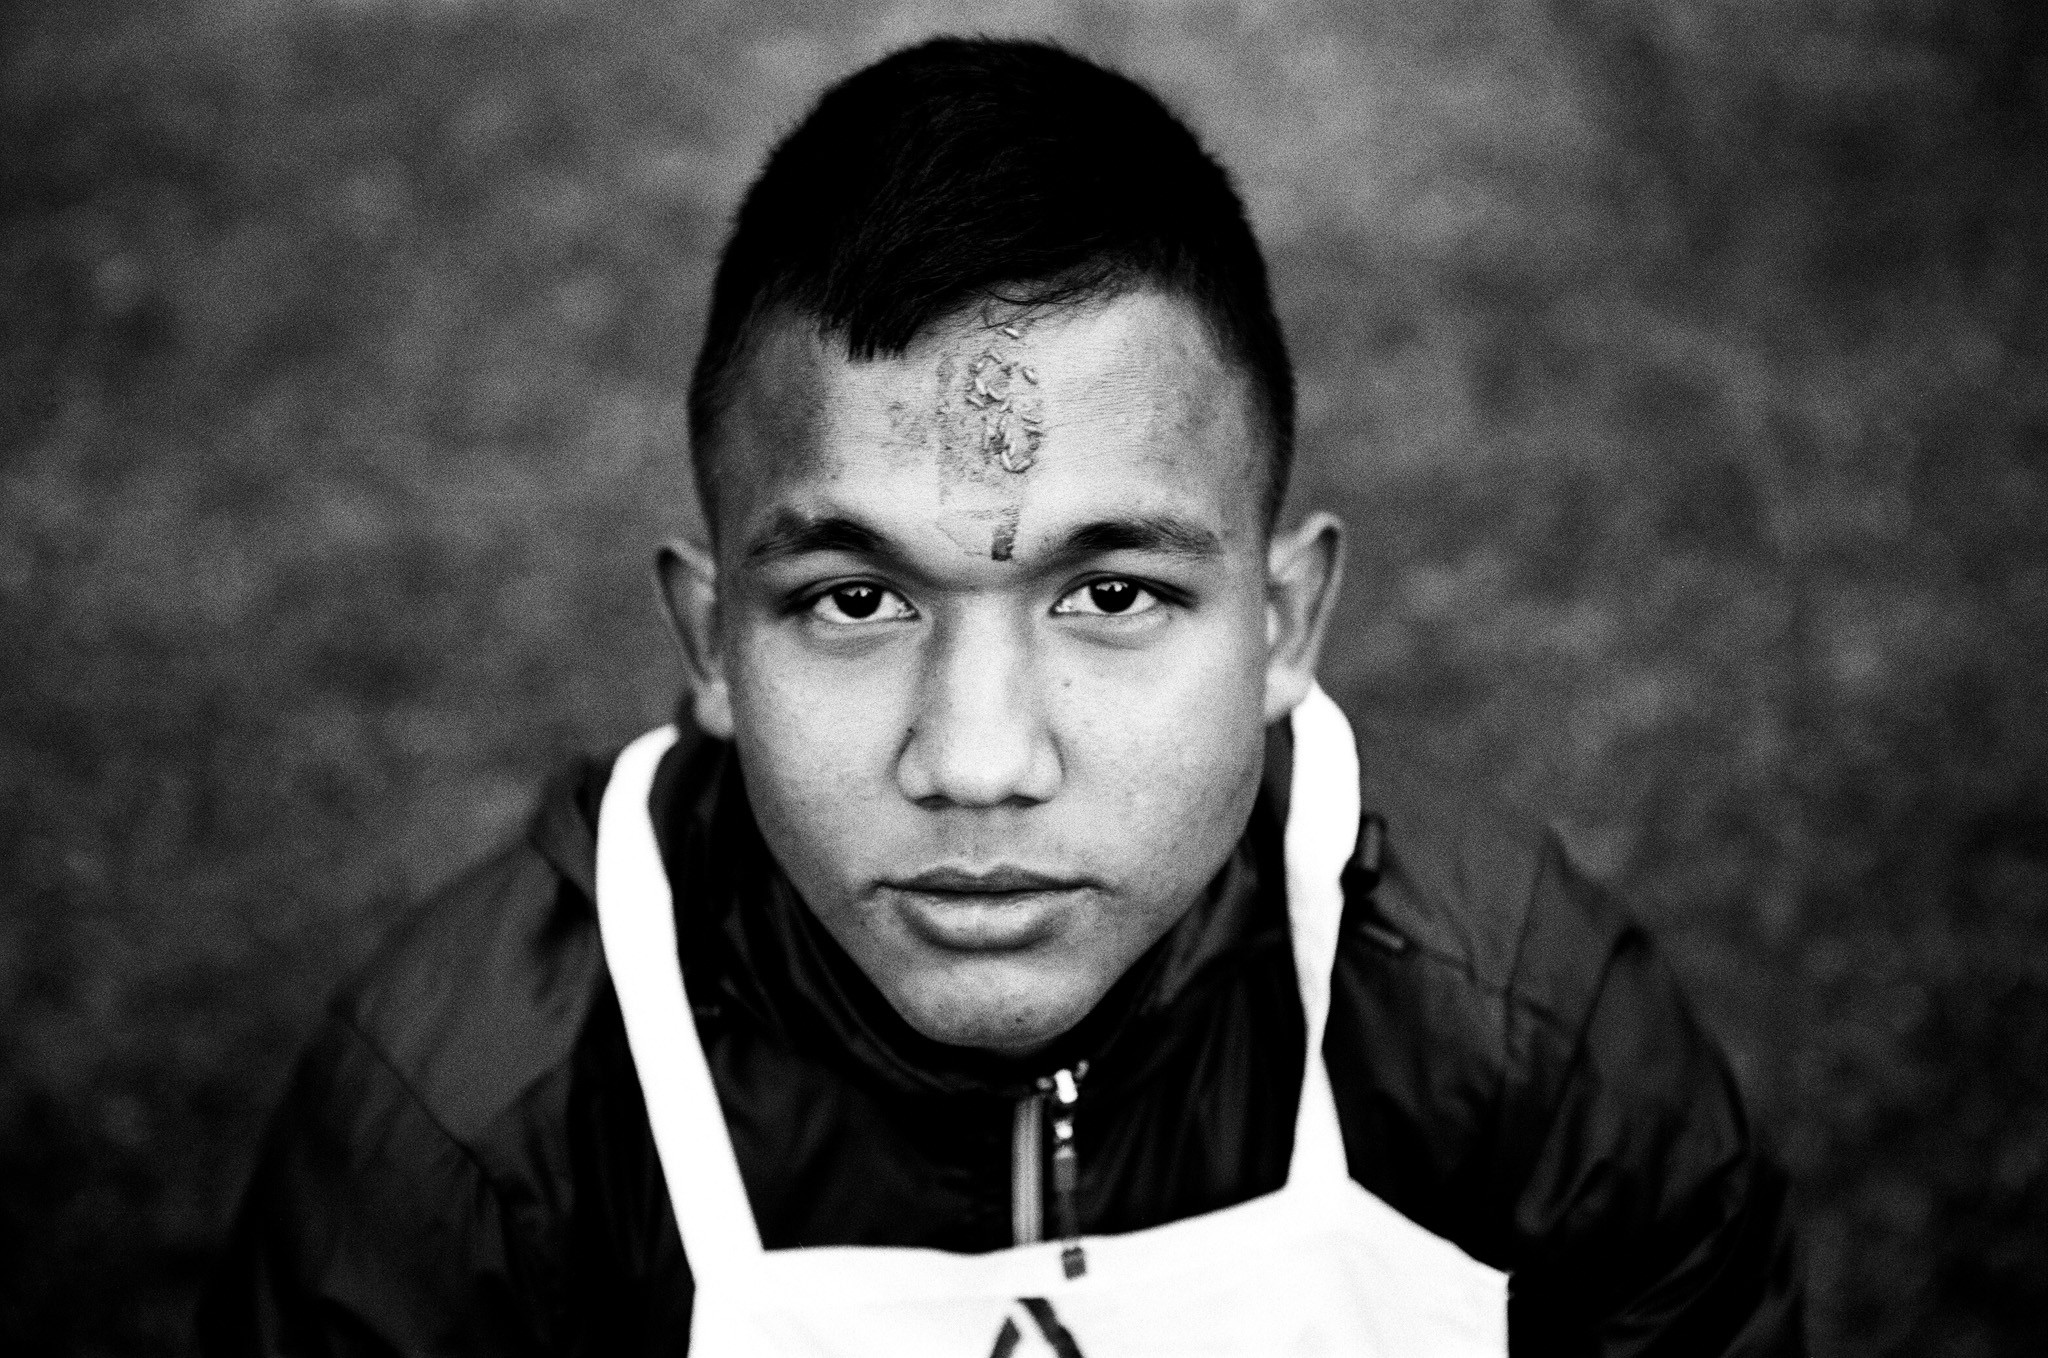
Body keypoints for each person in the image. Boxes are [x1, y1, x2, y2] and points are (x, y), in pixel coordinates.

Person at [198, 36, 1803, 1357]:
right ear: (708, 645)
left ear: (1282, 623)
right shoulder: (475, 1129)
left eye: (1111, 594)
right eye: (856, 599)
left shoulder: (1508, 1034)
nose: (977, 761)